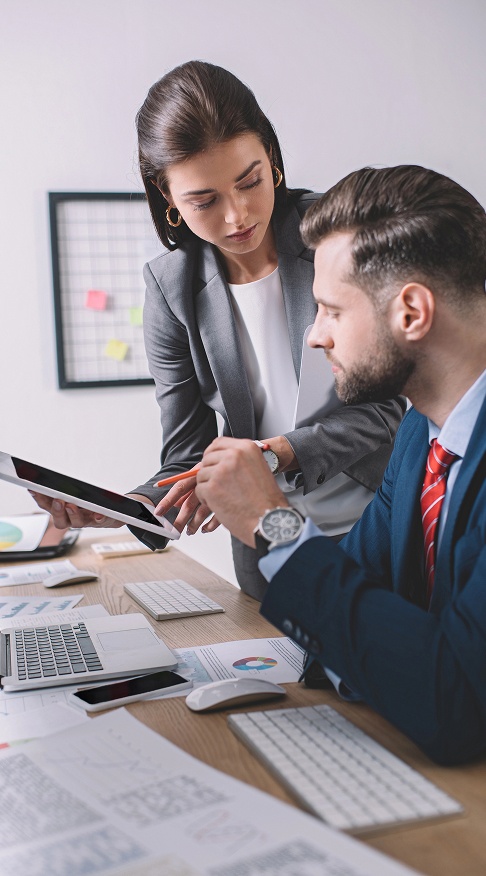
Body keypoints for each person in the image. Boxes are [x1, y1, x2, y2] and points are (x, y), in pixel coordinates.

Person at [34, 61, 404, 600]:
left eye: (250, 181)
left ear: (272, 159)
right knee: (283, 679)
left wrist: (273, 454)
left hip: (376, 522)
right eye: (204, 201)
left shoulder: (338, 239)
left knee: (369, 675)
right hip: (270, 540)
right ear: (168, 199)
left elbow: (387, 408)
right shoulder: (171, 287)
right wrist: (127, 507)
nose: (237, 217)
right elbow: (188, 452)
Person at [194, 165, 486, 765]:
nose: (314, 336)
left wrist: (273, 523)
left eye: (330, 309)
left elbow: (454, 702)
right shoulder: (418, 436)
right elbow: (358, 598)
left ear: (411, 312)